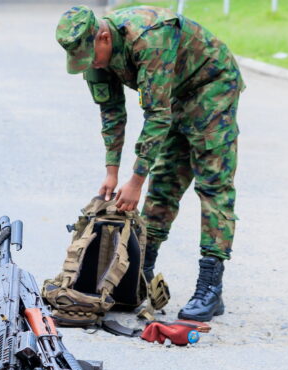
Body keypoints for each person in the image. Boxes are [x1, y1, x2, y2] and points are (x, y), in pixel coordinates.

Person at [55, 5, 243, 322]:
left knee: (213, 184)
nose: (93, 64)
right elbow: (111, 112)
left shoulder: (149, 36)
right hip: (175, 95)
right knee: (165, 182)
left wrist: (135, 181)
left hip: (211, 85)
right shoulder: (92, 52)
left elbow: (157, 114)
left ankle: (211, 287)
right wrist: (112, 172)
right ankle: (141, 272)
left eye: (94, 57)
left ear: (103, 36)